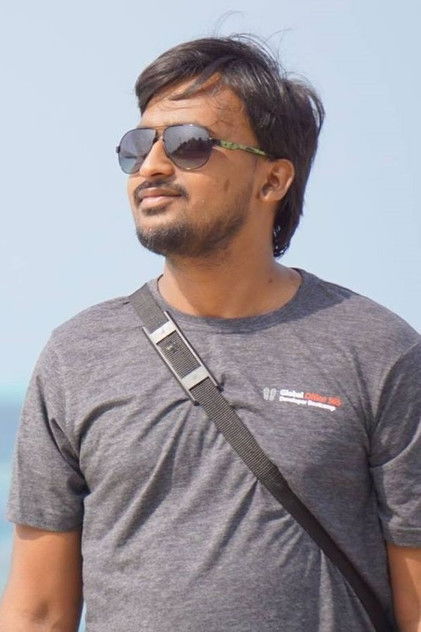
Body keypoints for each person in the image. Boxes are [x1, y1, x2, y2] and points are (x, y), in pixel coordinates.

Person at [0, 35, 420, 632]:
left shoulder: (378, 351)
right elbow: (38, 611)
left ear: (272, 180)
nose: (152, 166)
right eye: (138, 146)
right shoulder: (77, 356)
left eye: (189, 144)